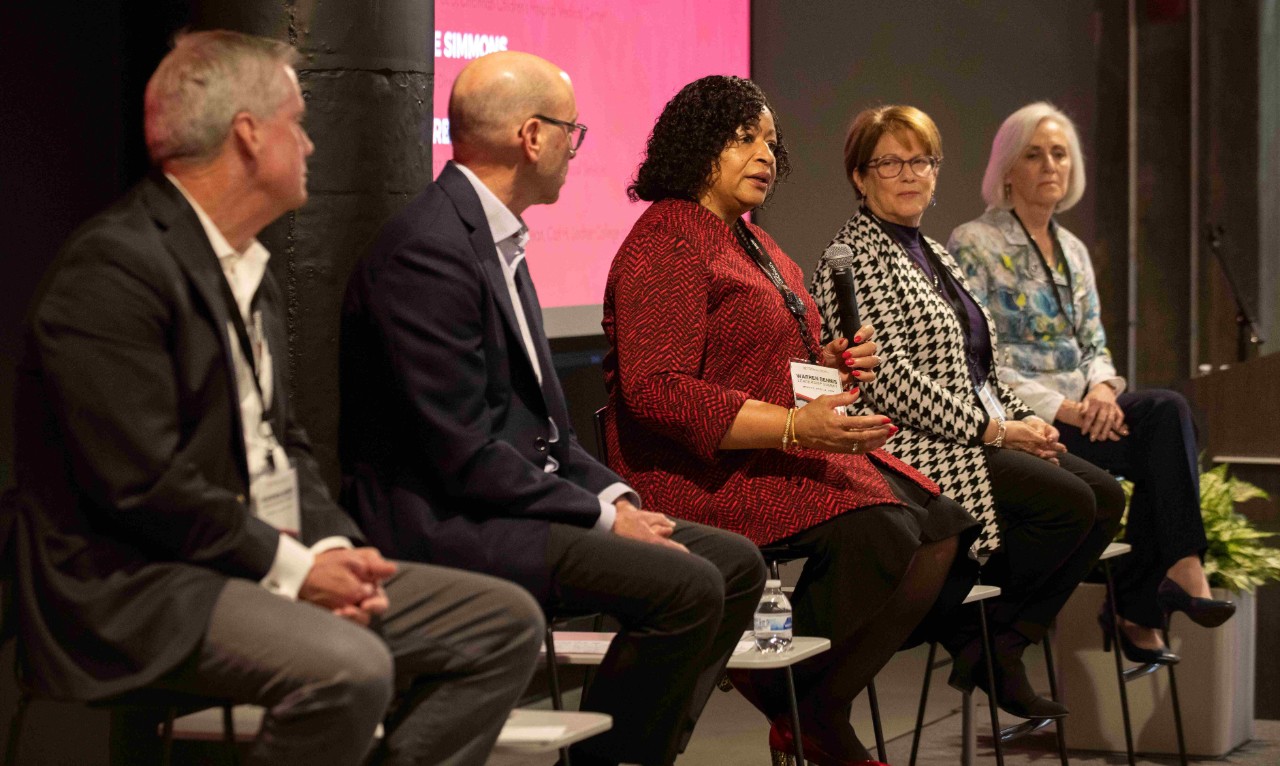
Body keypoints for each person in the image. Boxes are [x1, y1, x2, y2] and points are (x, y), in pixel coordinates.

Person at [8, 31, 544, 766]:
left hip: (254, 561)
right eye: (296, 124)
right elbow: (145, 490)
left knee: (504, 623)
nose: (311, 147)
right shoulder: (115, 270)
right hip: (139, 588)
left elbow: (284, 444)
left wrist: (329, 547)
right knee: (350, 667)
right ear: (249, 137)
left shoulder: (244, 263)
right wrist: (293, 570)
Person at [339, 52, 767, 766]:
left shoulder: (495, 239)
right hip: (450, 522)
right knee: (689, 582)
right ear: (531, 137)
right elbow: (462, 453)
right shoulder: (429, 251)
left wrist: (616, 498)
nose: (577, 146)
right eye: (573, 130)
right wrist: (602, 517)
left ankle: (630, 753)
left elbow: (554, 435)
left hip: (507, 504)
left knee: (735, 563)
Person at [603, 75, 980, 766]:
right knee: (883, 528)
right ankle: (795, 701)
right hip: (700, 470)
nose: (766, 156)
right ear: (699, 143)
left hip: (775, 452)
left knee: (944, 528)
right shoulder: (668, 237)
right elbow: (655, 390)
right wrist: (791, 428)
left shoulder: (754, 243)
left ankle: (807, 703)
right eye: (745, 139)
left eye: (772, 143)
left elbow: (774, 366)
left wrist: (833, 366)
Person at [811, 105, 1125, 721]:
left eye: (921, 161)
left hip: (976, 431)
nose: (909, 175)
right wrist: (995, 429)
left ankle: (1000, 641)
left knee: (1106, 497)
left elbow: (979, 366)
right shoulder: (852, 259)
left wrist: (1022, 423)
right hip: (915, 445)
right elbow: (888, 383)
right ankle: (967, 630)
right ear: (859, 176)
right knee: (1070, 505)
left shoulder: (931, 250)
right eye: (891, 163)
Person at [948, 101, 1233, 664]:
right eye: (1034, 155)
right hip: (1031, 424)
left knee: (1168, 412)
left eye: (1060, 154)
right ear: (1007, 168)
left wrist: (1103, 390)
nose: (1051, 165)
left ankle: (1174, 572)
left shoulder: (1074, 249)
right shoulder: (973, 243)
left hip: (1089, 410)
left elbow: (1094, 344)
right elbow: (977, 358)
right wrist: (1064, 408)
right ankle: (1139, 605)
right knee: (1160, 438)